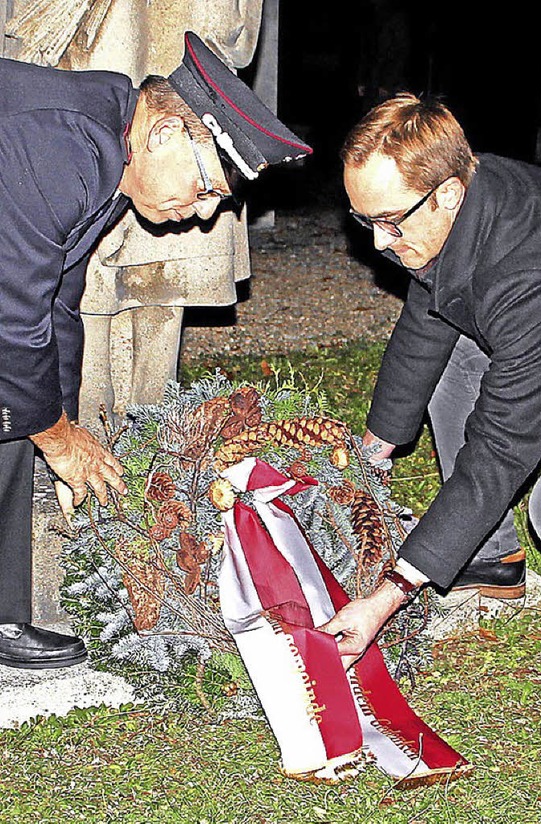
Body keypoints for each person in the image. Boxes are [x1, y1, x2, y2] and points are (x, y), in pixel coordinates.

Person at [0, 30, 311, 669]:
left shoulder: (110, 143)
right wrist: (56, 438)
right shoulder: (64, 145)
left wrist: (63, 423)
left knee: (14, 406)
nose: (200, 214)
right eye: (203, 190)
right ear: (168, 133)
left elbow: (59, 297)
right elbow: (12, 315)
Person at [321, 93, 541, 668]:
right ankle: (491, 565)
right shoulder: (462, 191)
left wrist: (388, 594)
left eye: (389, 221)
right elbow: (432, 308)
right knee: (453, 353)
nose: (376, 243)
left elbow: (502, 447)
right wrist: (378, 445)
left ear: (446, 194)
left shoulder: (532, 275)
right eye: (363, 219)